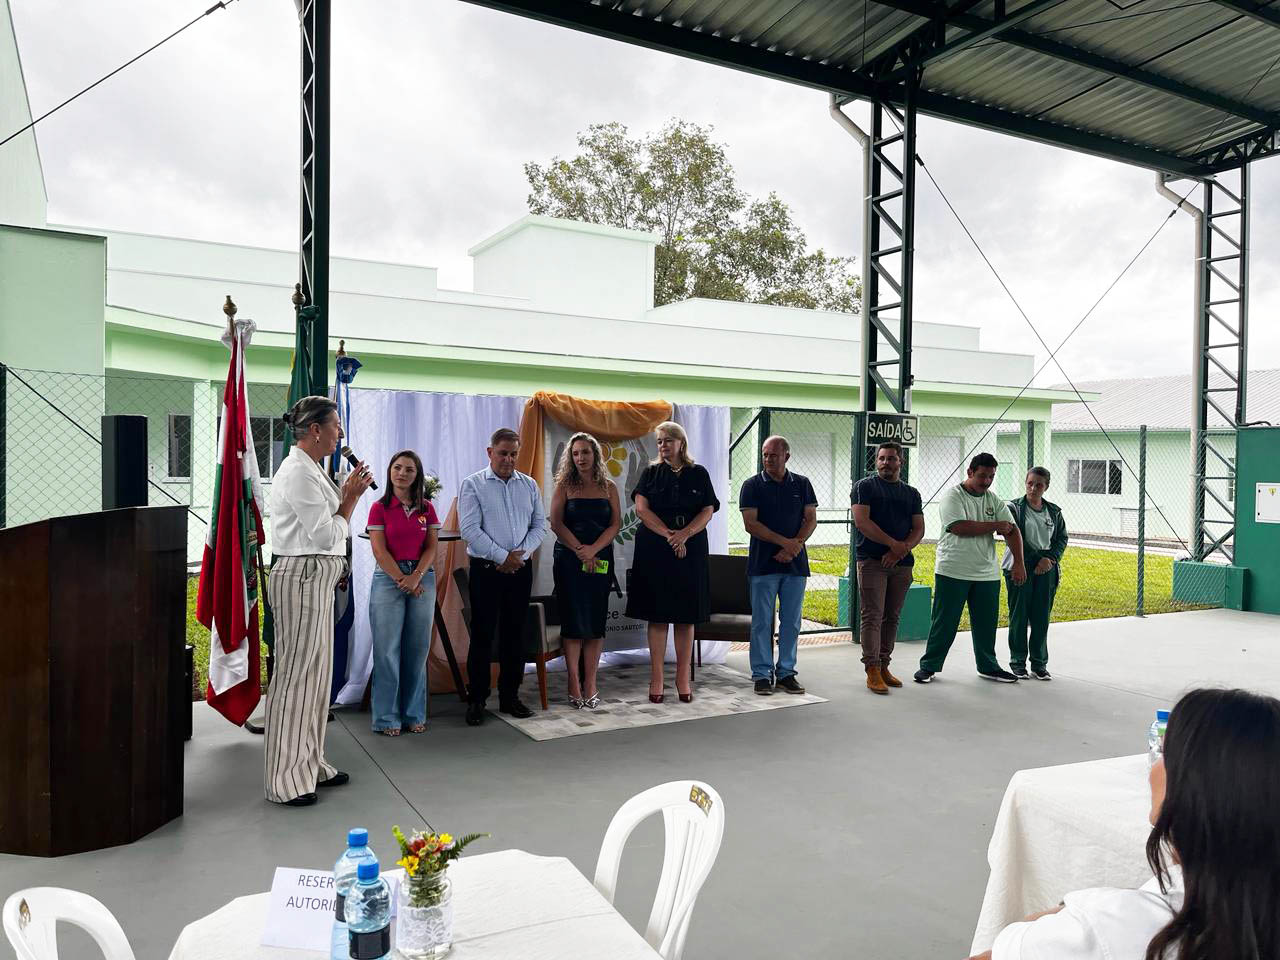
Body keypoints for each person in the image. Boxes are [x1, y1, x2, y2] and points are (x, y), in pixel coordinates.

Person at [972, 687, 1280, 960]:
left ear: (1192, 795)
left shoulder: (1111, 928)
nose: (1155, 765)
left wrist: (1069, 914)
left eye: (1166, 754)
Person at [264, 395, 373, 807]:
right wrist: (351, 498)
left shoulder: (311, 469)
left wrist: (345, 494)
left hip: (317, 581)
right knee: (296, 678)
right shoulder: (296, 473)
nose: (340, 434)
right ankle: (284, 780)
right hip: (301, 578)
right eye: (336, 425)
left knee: (316, 678)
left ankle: (308, 763)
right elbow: (327, 535)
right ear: (315, 430)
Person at [458, 427, 548, 726]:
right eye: (502, 453)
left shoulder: (530, 485)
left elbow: (539, 526)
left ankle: (510, 696)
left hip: (519, 571)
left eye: (513, 454)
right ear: (489, 452)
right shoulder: (472, 484)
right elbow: (469, 529)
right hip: (486, 571)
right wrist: (501, 556)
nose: (508, 459)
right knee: (483, 635)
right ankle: (478, 699)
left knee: (515, 634)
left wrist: (518, 556)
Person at [626, 421, 719, 704]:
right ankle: (656, 677)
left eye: (668, 440)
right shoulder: (651, 473)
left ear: (681, 443)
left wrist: (685, 535)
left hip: (691, 545)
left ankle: (681, 677)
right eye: (659, 441)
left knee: (685, 614)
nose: (663, 446)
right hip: (655, 545)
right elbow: (641, 509)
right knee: (658, 613)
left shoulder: (698, 473)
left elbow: (707, 509)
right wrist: (670, 536)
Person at [915, 453, 1026, 685]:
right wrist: (996, 525)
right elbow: (959, 527)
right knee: (944, 622)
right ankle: (929, 666)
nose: (986, 481)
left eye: (991, 477)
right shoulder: (952, 496)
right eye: (982, 476)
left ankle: (988, 666)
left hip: (987, 573)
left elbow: (1012, 530)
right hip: (953, 570)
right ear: (970, 472)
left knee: (986, 624)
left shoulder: (993, 500)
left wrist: (1019, 563)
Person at [366, 450, 440, 736]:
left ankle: (413, 714)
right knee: (387, 651)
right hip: (388, 579)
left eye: (409, 469)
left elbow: (432, 547)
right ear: (389, 472)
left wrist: (416, 576)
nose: (402, 473)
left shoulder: (427, 508)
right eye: (397, 467)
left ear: (416, 475)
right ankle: (386, 718)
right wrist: (403, 579)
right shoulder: (379, 508)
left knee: (417, 649)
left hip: (422, 577)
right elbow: (378, 550)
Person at [739, 435, 817, 696]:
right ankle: (761, 674)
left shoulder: (803, 484)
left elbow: (810, 519)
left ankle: (786, 673)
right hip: (763, 565)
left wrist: (794, 546)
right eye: (765, 454)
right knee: (762, 622)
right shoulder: (751, 486)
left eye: (773, 454)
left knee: (792, 622)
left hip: (795, 566)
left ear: (787, 456)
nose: (768, 459)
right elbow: (751, 524)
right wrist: (787, 543)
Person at [549, 432, 622, 709]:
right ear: (571, 457)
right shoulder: (564, 486)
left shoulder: (609, 487)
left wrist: (594, 550)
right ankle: (573, 681)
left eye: (585, 453)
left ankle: (591, 682)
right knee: (574, 621)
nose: (581, 458)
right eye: (576, 453)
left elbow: (615, 524)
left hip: (600, 559)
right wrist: (581, 549)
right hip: (569, 560)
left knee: (594, 623)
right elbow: (556, 524)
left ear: (595, 455)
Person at [851, 441, 925, 695]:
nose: (886, 463)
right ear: (876, 461)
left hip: (902, 564)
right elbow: (862, 522)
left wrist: (902, 549)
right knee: (872, 615)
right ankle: (871, 668)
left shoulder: (912, 493)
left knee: (892, 617)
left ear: (900, 462)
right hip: (872, 562)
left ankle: (884, 665)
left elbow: (919, 528)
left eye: (891, 458)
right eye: (882, 458)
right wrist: (893, 545)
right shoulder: (864, 487)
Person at [1004, 466, 1068, 681]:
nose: (1033, 488)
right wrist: (1035, 559)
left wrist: (1049, 560)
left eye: (1039, 484)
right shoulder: (1014, 508)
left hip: (1046, 568)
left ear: (1046, 487)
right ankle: (1017, 663)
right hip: (1020, 564)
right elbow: (1014, 535)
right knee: (1019, 615)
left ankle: (1039, 664)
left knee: (1041, 616)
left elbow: (1061, 539)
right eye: (1030, 483)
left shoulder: (1054, 511)